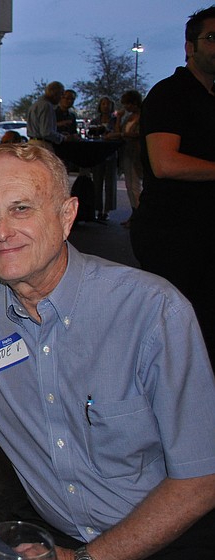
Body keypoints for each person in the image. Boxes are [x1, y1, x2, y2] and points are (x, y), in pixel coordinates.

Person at [0, 143, 215, 560]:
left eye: (21, 208)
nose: (0, 231)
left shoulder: (152, 312)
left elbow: (202, 479)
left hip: (169, 535)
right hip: (54, 536)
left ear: (67, 215)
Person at [132, 5, 215, 366]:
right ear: (189, 47)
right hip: (176, 237)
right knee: (181, 340)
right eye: (212, 38)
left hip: (203, 235)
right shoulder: (171, 94)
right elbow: (165, 163)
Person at [114, 90, 143, 226]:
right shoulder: (129, 117)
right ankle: (135, 213)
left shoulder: (143, 117)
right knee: (129, 185)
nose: (126, 107)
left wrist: (124, 135)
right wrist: (119, 118)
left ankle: (139, 215)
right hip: (127, 153)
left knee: (135, 185)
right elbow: (118, 130)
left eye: (127, 104)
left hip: (137, 153)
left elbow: (139, 134)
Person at [89, 97, 118, 221]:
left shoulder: (115, 120)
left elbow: (118, 133)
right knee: (97, 182)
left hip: (111, 153)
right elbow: (90, 133)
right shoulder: (95, 120)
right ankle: (98, 209)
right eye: (103, 104)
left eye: (108, 104)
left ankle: (107, 210)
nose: (105, 106)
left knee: (110, 183)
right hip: (97, 153)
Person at [26, 81, 72, 150]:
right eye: (61, 94)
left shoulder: (35, 105)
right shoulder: (46, 106)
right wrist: (63, 138)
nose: (61, 98)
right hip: (42, 144)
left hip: (32, 143)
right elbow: (46, 132)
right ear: (55, 94)